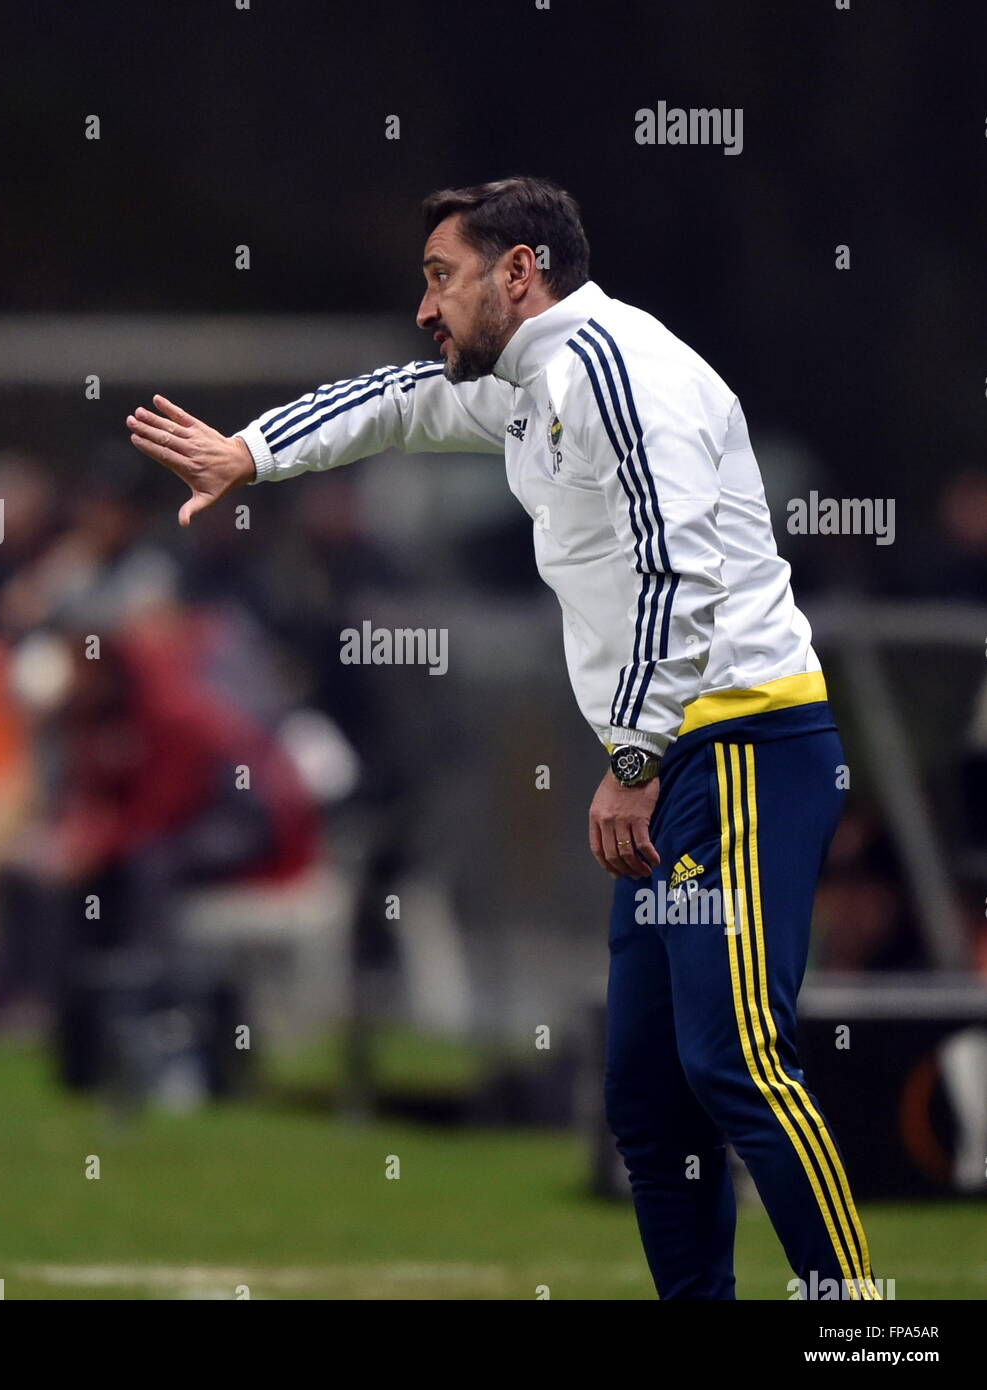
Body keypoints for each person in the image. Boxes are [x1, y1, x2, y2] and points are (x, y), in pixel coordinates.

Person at [123, 175, 879, 1301]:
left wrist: (628, 758)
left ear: (517, 271)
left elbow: (684, 572)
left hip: (740, 745)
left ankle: (862, 1324)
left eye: (441, 276)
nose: (426, 307)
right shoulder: (535, 381)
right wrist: (251, 453)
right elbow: (401, 402)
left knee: (736, 1061)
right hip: (680, 753)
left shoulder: (618, 369)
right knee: (642, 1090)